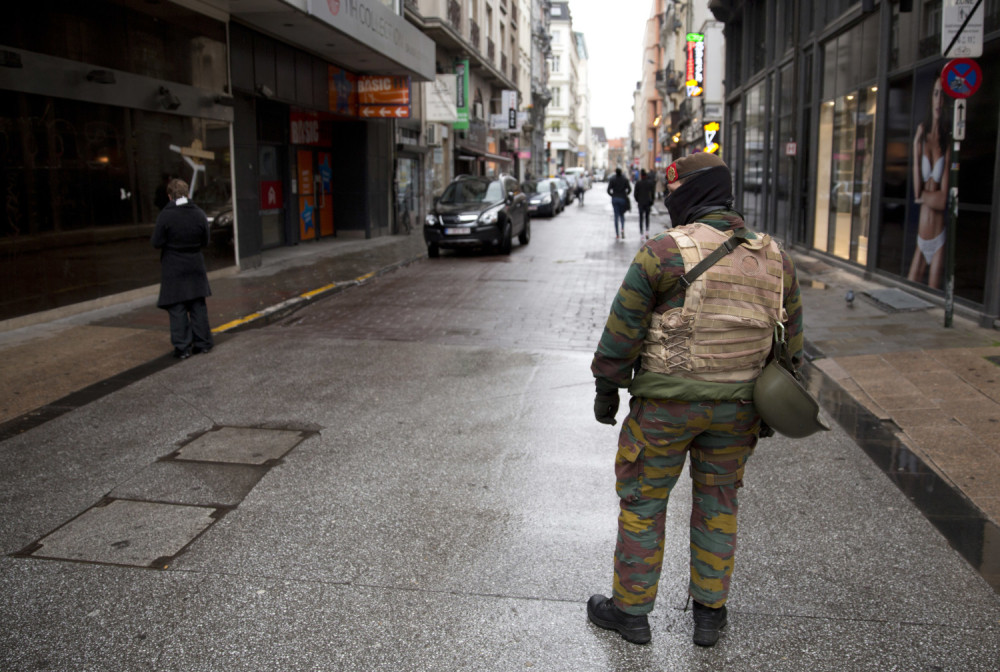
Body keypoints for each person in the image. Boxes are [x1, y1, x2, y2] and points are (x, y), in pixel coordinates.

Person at [587, 152, 803, 648]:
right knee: (718, 505)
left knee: (643, 505)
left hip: (665, 409)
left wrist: (607, 388)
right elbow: (791, 345)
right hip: (738, 411)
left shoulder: (662, 252)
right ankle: (709, 615)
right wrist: (771, 412)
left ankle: (632, 613)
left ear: (686, 196)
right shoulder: (775, 258)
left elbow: (623, 330)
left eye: (673, 193)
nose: (668, 201)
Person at [151, 178, 215, 359]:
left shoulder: (166, 215)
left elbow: (156, 242)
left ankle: (183, 348)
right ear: (188, 194)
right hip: (195, 264)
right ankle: (203, 344)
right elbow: (205, 240)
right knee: (197, 305)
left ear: (169, 196)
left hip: (174, 266)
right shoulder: (199, 214)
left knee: (177, 307)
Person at [907, 73, 951, 289]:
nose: (939, 99)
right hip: (921, 237)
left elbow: (942, 201)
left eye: (943, 94)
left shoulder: (947, 142)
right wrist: (916, 144)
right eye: (935, 93)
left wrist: (924, 196)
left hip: (938, 237)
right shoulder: (922, 138)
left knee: (932, 295)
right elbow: (917, 192)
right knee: (908, 288)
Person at [607, 168, 632, 240]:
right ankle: (622, 229)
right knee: (622, 215)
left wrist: (612, 195)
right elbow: (629, 189)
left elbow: (608, 190)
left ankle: (617, 234)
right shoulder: (625, 179)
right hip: (622, 199)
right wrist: (625, 194)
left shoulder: (612, 179)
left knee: (616, 216)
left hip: (615, 199)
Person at [633, 168, 655, 241]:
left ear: (641, 176)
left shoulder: (638, 183)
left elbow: (635, 194)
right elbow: (652, 194)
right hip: (648, 203)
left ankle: (641, 233)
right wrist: (652, 201)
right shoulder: (650, 183)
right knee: (647, 217)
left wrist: (638, 200)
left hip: (641, 203)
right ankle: (647, 231)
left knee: (641, 218)